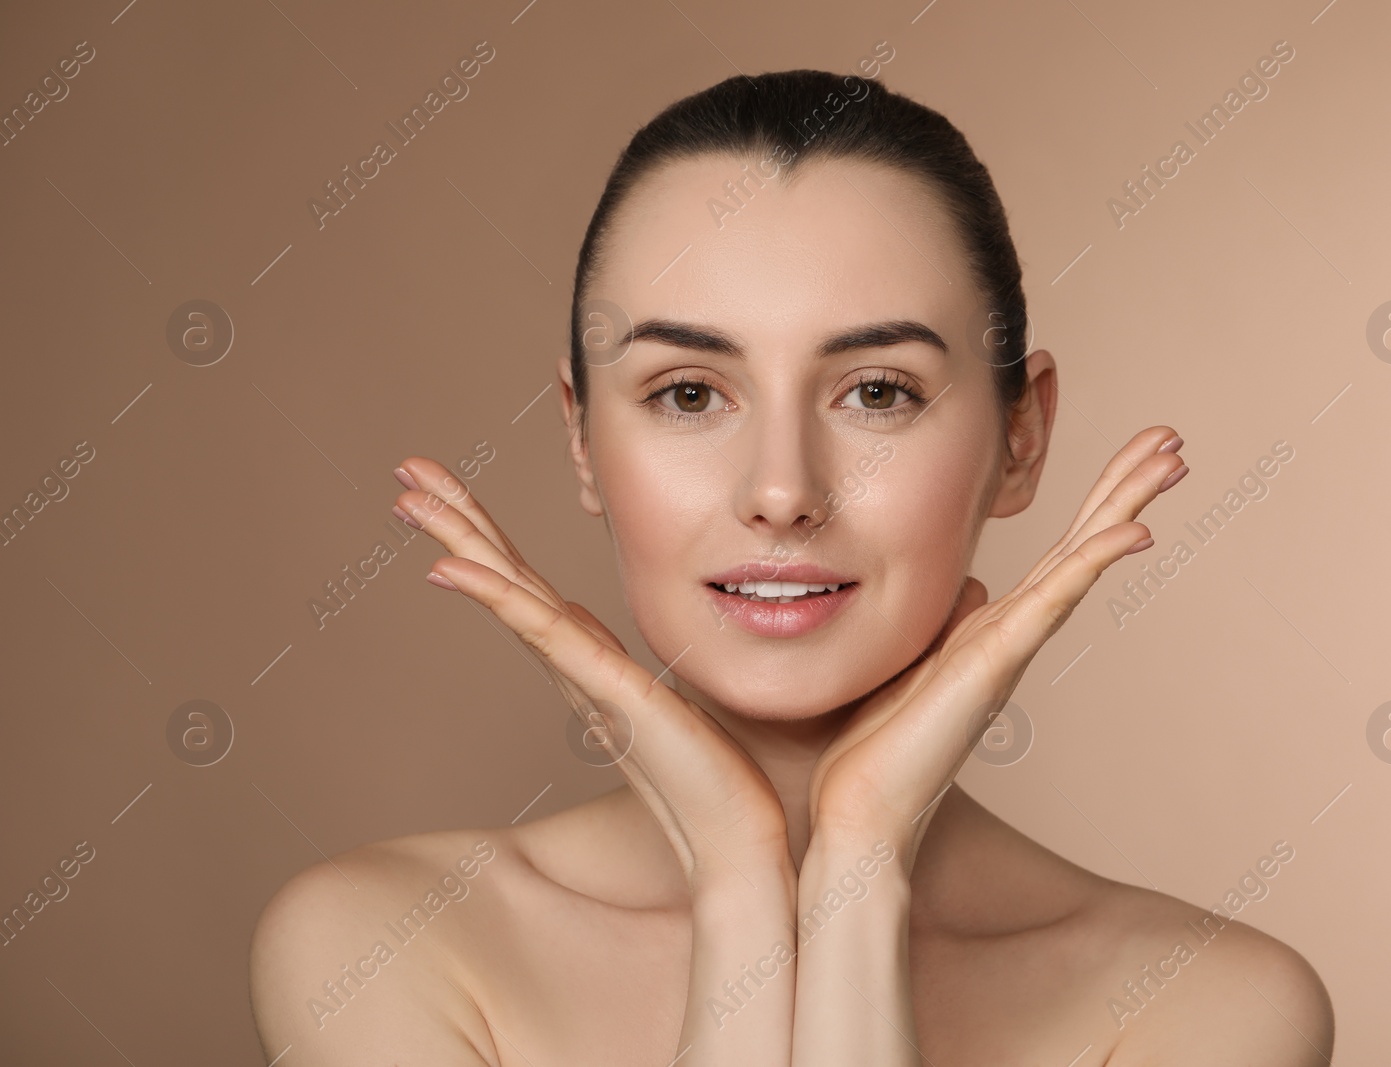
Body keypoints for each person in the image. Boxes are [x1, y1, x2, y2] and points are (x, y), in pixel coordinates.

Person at [249, 69, 1333, 1065]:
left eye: (875, 391)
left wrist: (857, 871)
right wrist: (737, 882)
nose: (780, 489)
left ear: (1020, 438)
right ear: (583, 440)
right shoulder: (383, 946)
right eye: (687, 392)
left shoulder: (1208, 1007)